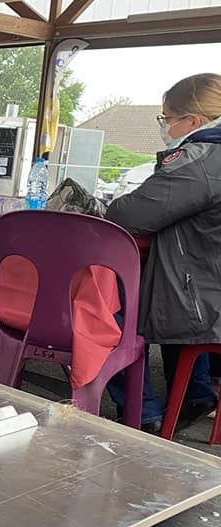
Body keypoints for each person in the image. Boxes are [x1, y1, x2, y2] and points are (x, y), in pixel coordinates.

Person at [105, 73, 221, 434]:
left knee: (106, 309)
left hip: (203, 299)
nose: (165, 125)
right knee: (171, 287)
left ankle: (142, 410)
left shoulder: (201, 159)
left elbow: (128, 214)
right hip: (209, 285)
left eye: (168, 118)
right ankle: (194, 394)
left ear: (193, 121)